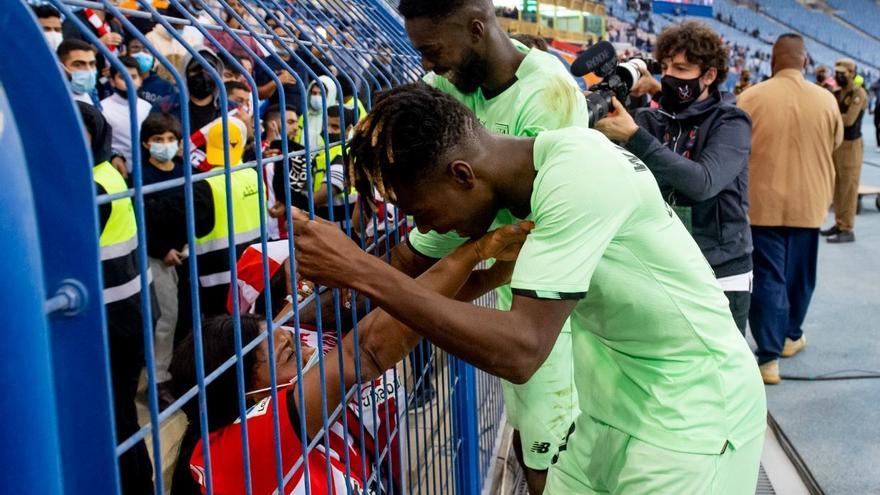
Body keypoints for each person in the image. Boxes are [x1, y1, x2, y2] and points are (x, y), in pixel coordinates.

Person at [292, 83, 767, 494]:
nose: (422, 226)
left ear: (461, 175)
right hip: (610, 406)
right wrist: (286, 313)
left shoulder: (580, 170)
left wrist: (359, 269)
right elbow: (401, 281)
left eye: (420, 212)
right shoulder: (479, 192)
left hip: (694, 411)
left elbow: (522, 350)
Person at [172, 222, 526, 494]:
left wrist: (488, 266)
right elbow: (366, 348)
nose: (310, 354)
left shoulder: (314, 328)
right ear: (248, 396)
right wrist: (473, 254)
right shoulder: (239, 451)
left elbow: (409, 304)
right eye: (290, 354)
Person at [395, 1, 590, 491]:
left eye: (433, 51)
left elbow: (535, 221)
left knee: (553, 445)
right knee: (529, 433)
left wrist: (411, 259)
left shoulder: (548, 93)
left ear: (477, 29)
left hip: (554, 307)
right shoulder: (447, 85)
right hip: (510, 290)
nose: (428, 65)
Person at [594, 21, 754, 334]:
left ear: (708, 75)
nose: (669, 76)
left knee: (719, 378)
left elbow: (702, 182)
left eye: (681, 69)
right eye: (665, 67)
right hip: (664, 265)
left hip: (719, 272)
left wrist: (635, 136)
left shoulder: (731, 121)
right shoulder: (654, 118)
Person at [737, 34, 843, 384]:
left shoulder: (750, 97)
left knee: (767, 278)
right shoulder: (827, 100)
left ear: (772, 60)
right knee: (801, 276)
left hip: (761, 204)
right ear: (804, 61)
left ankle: (768, 359)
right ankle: (790, 337)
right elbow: (837, 142)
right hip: (809, 204)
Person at [77, 101, 155, 494]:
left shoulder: (92, 185)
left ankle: (135, 483)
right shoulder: (107, 170)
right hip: (130, 311)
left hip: (115, 320)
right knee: (119, 412)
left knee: (115, 414)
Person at [140, 112, 186, 410]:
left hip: (184, 253)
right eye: (158, 140)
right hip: (159, 257)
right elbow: (141, 220)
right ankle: (157, 380)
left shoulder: (183, 169)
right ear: (146, 143)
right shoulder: (141, 178)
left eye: (170, 139)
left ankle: (170, 370)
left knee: (178, 316)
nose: (165, 145)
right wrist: (163, 248)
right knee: (165, 317)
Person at [821, 58, 869, 243]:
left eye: (842, 73)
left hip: (852, 145)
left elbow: (849, 120)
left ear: (851, 73)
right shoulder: (838, 93)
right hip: (838, 145)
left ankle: (847, 228)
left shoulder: (859, 94)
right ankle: (839, 223)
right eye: (837, 72)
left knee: (849, 189)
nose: (838, 76)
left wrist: (832, 116)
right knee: (838, 188)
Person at [101, 56, 152, 176]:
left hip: (147, 171)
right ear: (112, 81)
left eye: (133, 77)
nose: (129, 81)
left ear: (140, 80)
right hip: (118, 173)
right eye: (123, 77)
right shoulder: (102, 109)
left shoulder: (148, 107)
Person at [124, 37, 175, 106]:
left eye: (146, 49)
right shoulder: (120, 82)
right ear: (126, 53)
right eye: (135, 48)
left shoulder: (165, 87)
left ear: (153, 56)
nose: (141, 53)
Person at [57, 39, 99, 106]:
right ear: (62, 67)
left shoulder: (92, 92)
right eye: (78, 65)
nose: (88, 70)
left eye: (92, 64)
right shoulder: (57, 101)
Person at [871, 77, 880, 152]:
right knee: (877, 126)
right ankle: (878, 144)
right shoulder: (876, 84)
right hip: (877, 108)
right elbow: (871, 88)